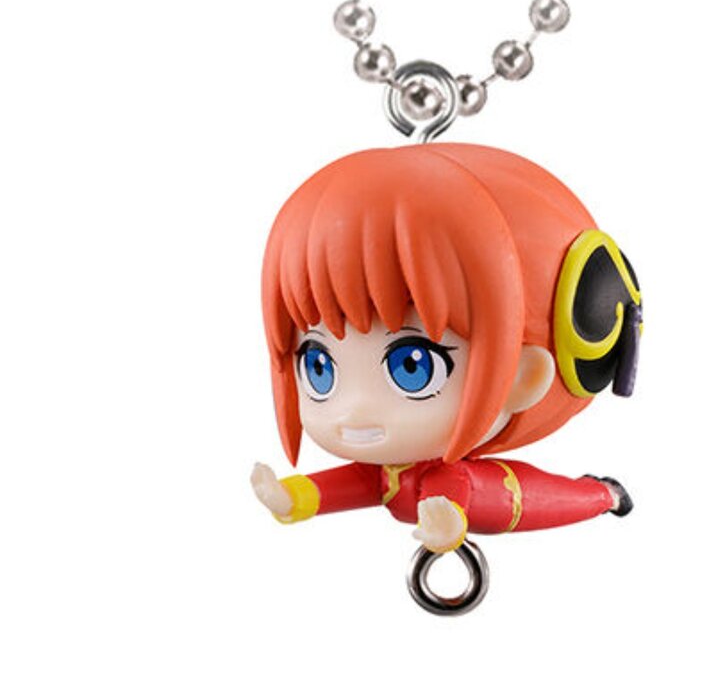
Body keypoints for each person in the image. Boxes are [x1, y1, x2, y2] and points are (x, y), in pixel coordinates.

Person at [251, 143, 640, 553]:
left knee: (573, 499)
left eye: (412, 366)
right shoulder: (383, 470)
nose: (355, 409)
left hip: (506, 498)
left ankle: (604, 495)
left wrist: (448, 528)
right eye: (318, 367)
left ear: (524, 376)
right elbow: (351, 484)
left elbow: (447, 502)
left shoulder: (450, 480)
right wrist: (292, 497)